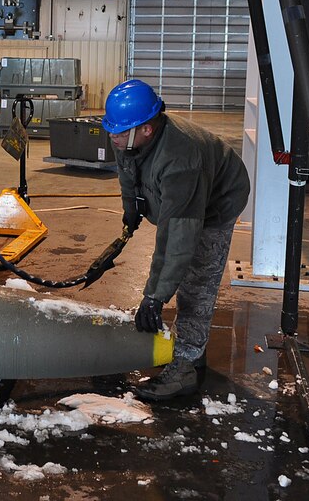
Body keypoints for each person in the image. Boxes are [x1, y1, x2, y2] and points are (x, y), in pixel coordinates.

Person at [102, 79, 250, 402]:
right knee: (178, 266)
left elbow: (177, 239)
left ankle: (187, 369)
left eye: (119, 131)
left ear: (147, 130)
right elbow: (127, 173)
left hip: (217, 201)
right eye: (111, 129)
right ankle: (191, 349)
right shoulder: (126, 136)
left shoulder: (180, 160)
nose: (112, 135)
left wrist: (155, 296)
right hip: (184, 194)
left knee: (197, 283)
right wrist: (131, 211)